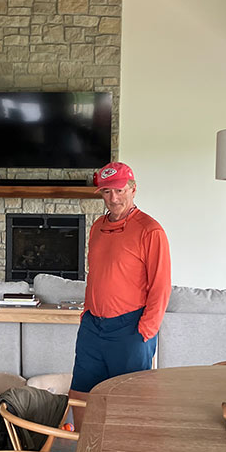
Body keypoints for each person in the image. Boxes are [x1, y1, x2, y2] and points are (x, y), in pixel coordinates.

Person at [69, 162, 171, 426]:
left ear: (133, 189)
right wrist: (86, 313)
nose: (113, 198)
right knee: (80, 394)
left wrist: (145, 331)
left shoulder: (151, 230)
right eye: (106, 192)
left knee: (129, 400)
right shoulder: (96, 228)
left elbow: (161, 285)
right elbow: (96, 275)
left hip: (130, 328)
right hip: (93, 326)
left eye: (119, 190)